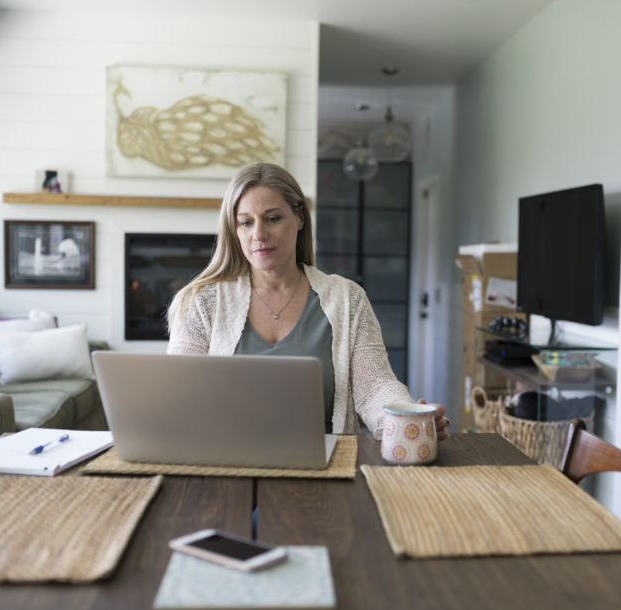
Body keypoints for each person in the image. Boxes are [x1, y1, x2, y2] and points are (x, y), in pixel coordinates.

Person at [167, 162, 448, 439]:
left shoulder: (348, 299)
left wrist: (402, 416)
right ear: (234, 228)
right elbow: (178, 393)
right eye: (246, 222)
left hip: (325, 465)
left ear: (299, 217)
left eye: (273, 218)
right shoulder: (201, 302)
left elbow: (375, 386)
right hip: (226, 459)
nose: (259, 234)